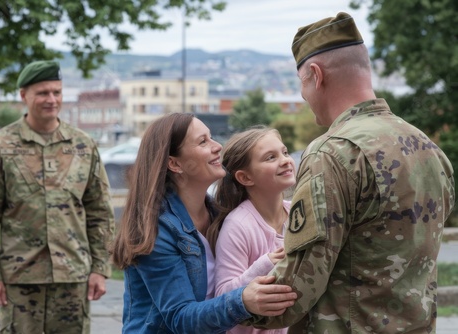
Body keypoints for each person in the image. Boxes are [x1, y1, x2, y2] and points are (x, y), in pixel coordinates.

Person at [249, 12, 456, 333]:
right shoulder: (428, 148)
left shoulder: (332, 153)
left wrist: (235, 304)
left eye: (302, 84)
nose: (304, 97)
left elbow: (298, 285)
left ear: (316, 76)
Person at [111, 113, 298, 334]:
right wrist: (243, 300)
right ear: (174, 163)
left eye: (211, 138)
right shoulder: (157, 229)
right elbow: (181, 318)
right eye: (203, 142)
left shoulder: (219, 215)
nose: (217, 146)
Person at [0, 60, 115, 333]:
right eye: (43, 93)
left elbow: (100, 212)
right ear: (23, 95)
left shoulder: (83, 145)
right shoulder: (0, 146)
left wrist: (100, 268)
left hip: (73, 278)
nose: (52, 100)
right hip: (20, 280)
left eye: (57, 92)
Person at [207, 126, 297, 334]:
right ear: (246, 178)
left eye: (284, 152)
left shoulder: (299, 213)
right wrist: (266, 264)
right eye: (270, 157)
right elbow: (223, 295)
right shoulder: (238, 225)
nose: (285, 160)